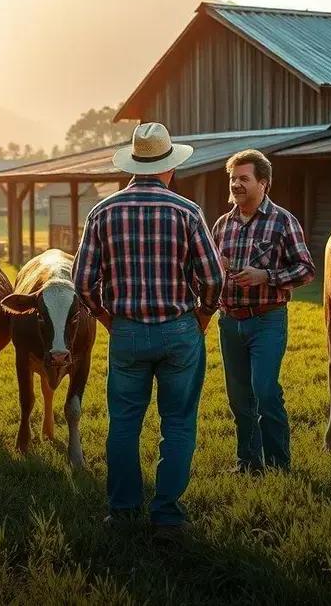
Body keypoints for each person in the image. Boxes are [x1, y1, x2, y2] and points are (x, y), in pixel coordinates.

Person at [73, 122, 224, 534]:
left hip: (127, 331)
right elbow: (213, 277)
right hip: (180, 330)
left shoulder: (102, 212)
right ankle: (167, 516)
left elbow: (82, 281)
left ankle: (122, 512)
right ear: (169, 168)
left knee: (123, 423)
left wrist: (105, 317)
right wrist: (204, 314)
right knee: (177, 422)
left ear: (134, 165)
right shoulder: (188, 212)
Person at [212, 149, 315, 474]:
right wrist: (219, 266)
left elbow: (306, 269)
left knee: (265, 390)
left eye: (244, 178)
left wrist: (266, 276)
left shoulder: (283, 221)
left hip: (267, 320)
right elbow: (209, 270)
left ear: (263, 183)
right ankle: (248, 462)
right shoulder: (222, 224)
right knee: (239, 397)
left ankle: (278, 464)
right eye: (233, 179)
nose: (236, 185)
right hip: (230, 322)